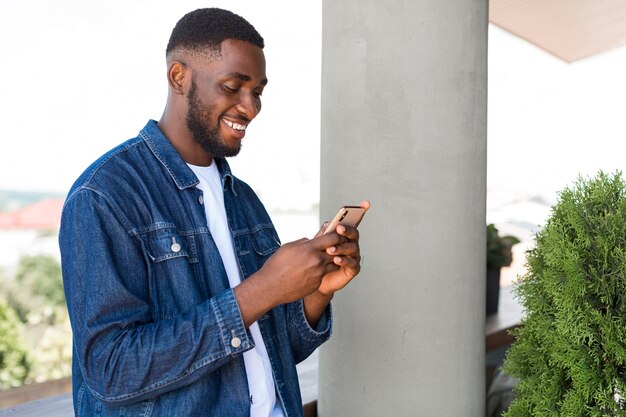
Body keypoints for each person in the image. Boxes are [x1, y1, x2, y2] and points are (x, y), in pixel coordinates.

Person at [59, 7, 368, 417]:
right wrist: (265, 288)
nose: (250, 106)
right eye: (232, 86)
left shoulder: (244, 200)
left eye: (257, 91)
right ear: (178, 77)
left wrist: (315, 291)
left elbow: (273, 351)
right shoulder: (105, 195)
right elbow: (112, 370)